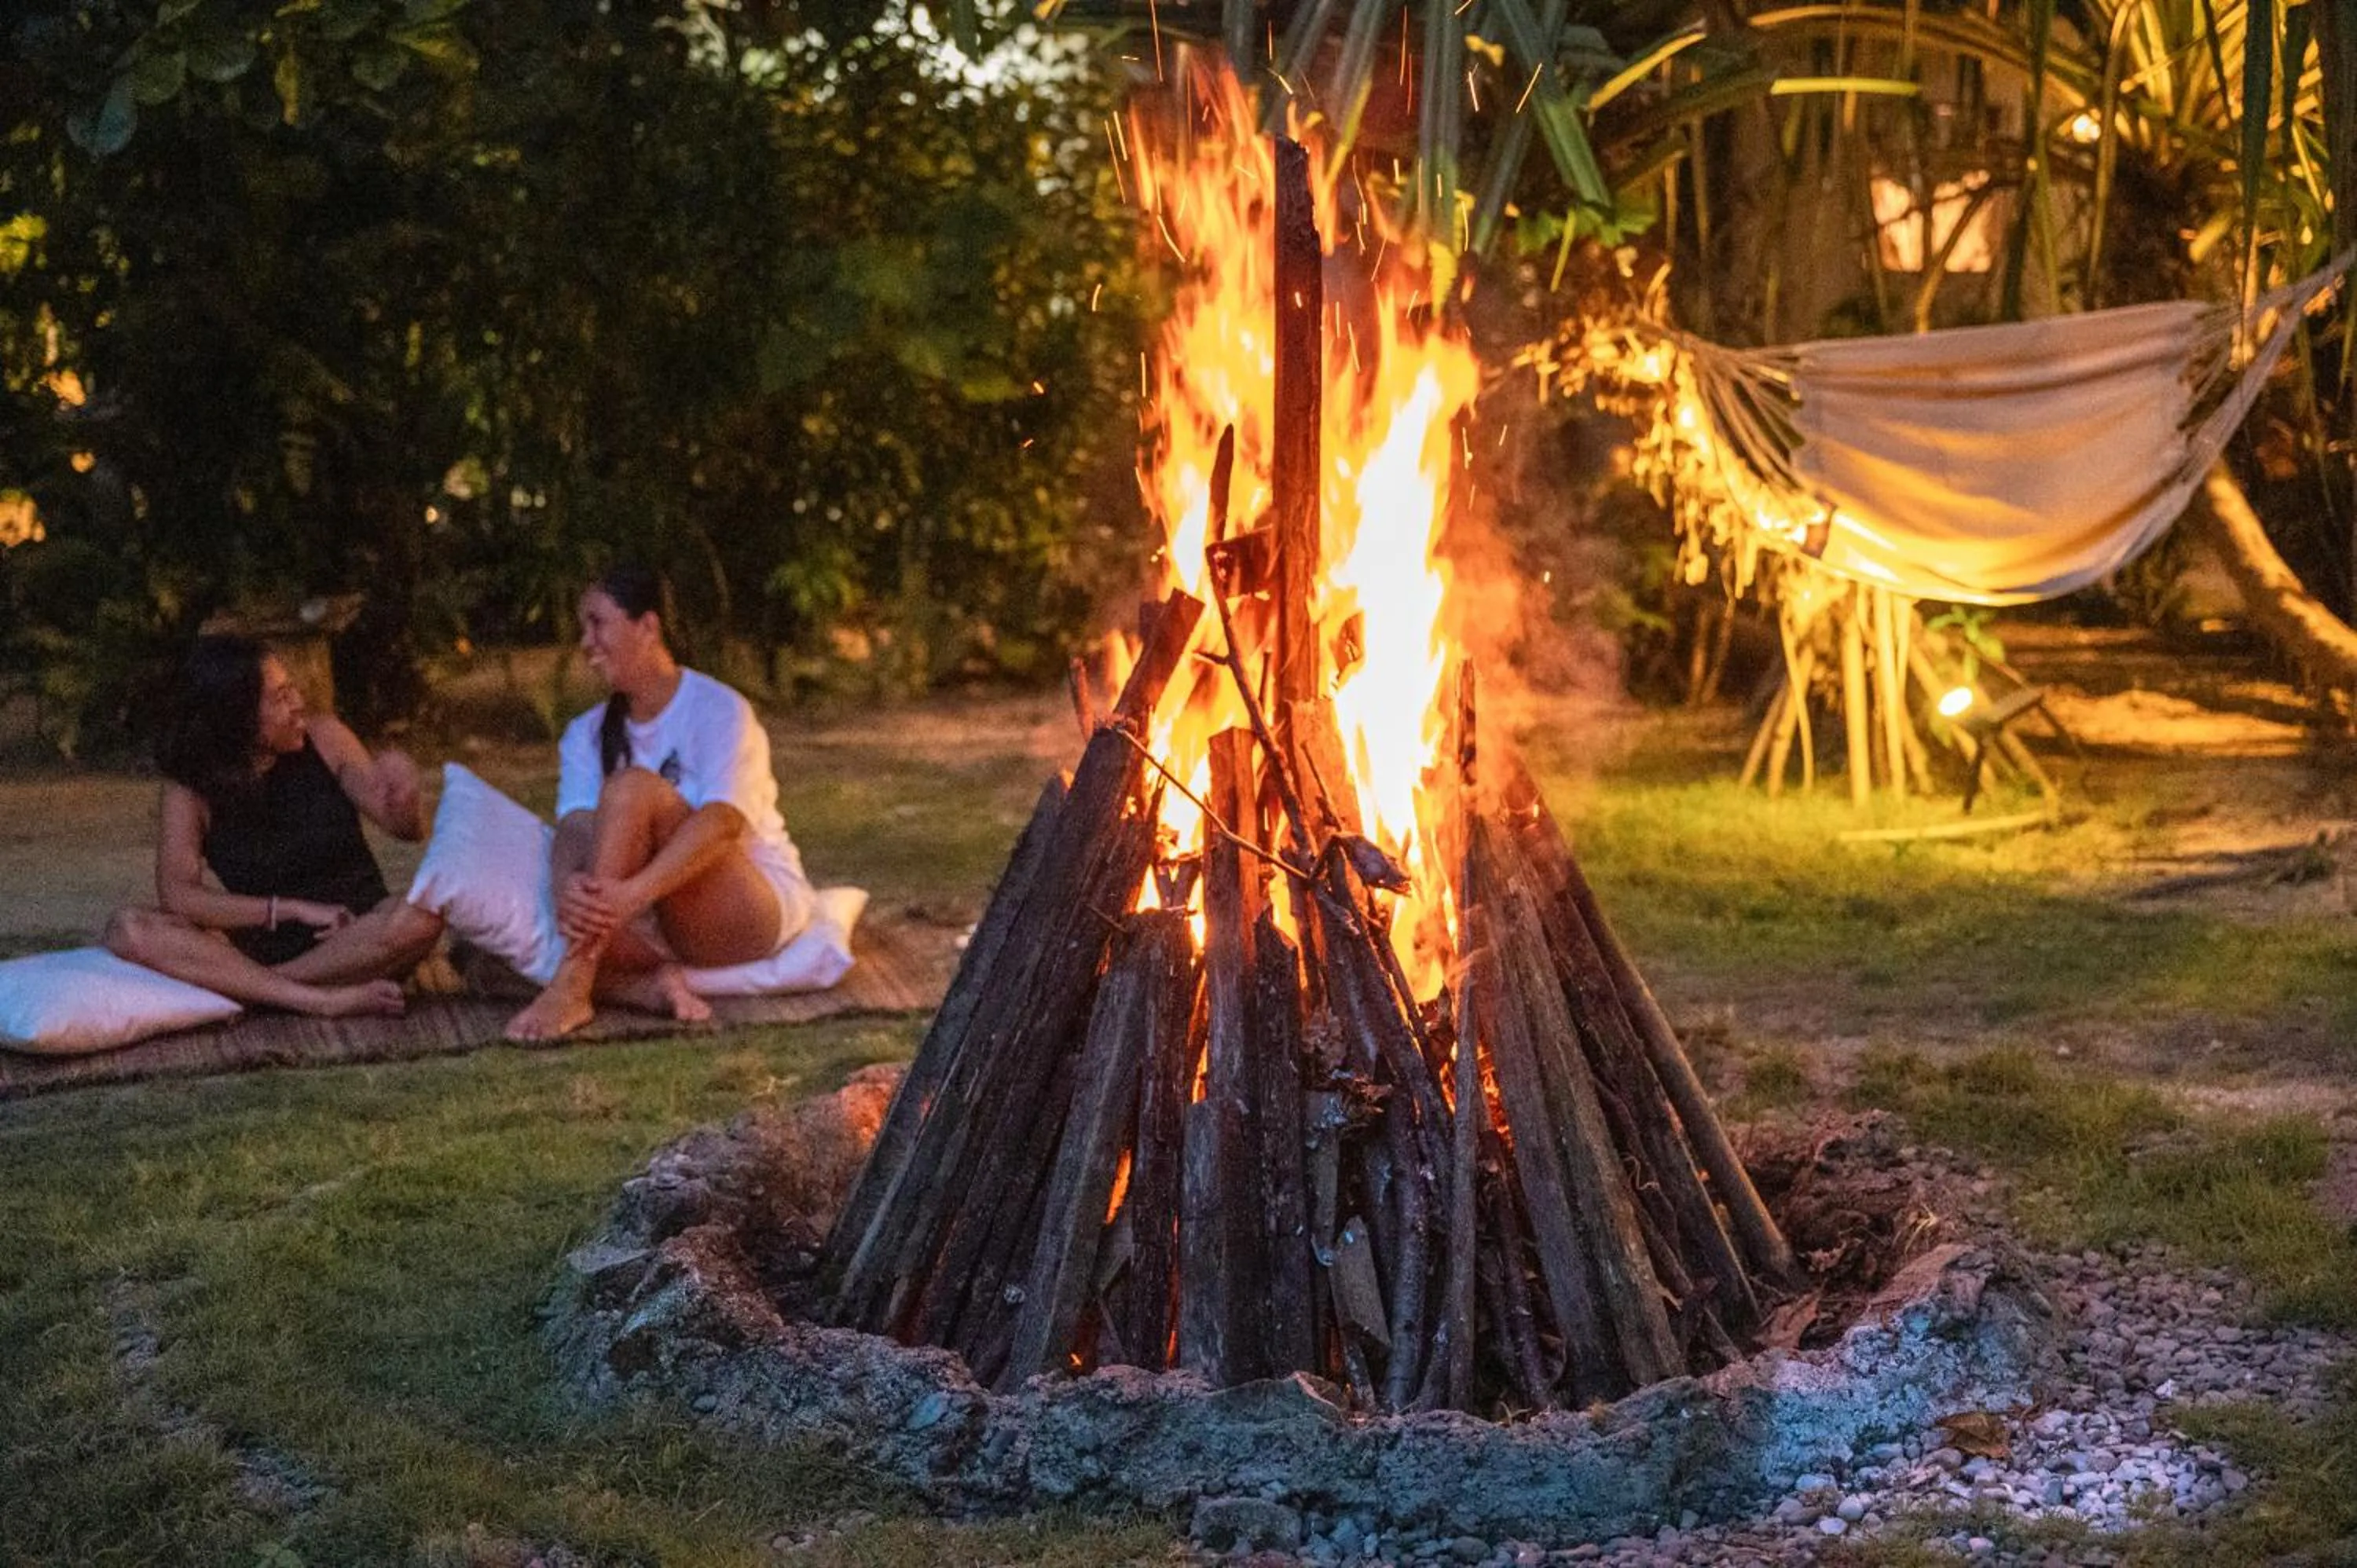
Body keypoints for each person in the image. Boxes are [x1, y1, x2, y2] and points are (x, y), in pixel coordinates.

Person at [503, 564, 815, 1042]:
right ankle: (643, 987)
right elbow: (574, 827)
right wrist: (567, 887)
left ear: (648, 626)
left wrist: (632, 894)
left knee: (632, 788)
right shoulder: (585, 733)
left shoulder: (719, 710)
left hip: (744, 913)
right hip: (648, 921)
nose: (585, 642)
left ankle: (576, 982)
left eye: (597, 623)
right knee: (481, 948)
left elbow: (723, 823)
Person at [104, 636, 446, 1017]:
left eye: (293, 690)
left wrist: (405, 804)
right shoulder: (190, 788)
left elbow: (405, 829)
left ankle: (256, 987)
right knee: (128, 929)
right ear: (239, 715)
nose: (298, 705)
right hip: (260, 939)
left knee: (425, 911)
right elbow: (179, 895)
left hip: (360, 937)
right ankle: (318, 1000)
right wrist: (290, 910)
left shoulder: (327, 739)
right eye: (281, 698)